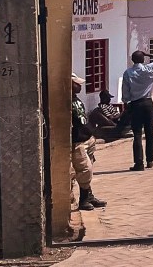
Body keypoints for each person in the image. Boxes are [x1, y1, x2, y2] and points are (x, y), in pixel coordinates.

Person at [122, 50, 153, 171]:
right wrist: (148, 55)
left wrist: (126, 101)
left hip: (135, 104)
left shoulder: (128, 73)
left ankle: (139, 163)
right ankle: (150, 160)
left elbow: (125, 92)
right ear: (143, 59)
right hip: (148, 104)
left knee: (137, 134)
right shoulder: (149, 70)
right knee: (150, 133)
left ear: (132, 60)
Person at [71, 74, 107, 211]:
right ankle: (83, 199)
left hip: (87, 138)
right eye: (76, 83)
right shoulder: (64, 101)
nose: (80, 86)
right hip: (77, 141)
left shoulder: (76, 99)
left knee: (89, 167)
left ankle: (88, 195)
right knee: (84, 169)